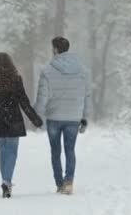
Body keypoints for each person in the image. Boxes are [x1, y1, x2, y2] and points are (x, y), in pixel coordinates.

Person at [35, 37, 92, 195]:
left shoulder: (47, 71)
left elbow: (42, 97)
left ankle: (59, 183)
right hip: (73, 117)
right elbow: (87, 96)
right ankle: (69, 182)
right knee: (70, 150)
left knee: (55, 151)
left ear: (55, 49)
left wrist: (37, 115)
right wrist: (85, 117)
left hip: (54, 117)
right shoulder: (83, 71)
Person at [0, 52, 43, 198]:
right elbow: (24, 102)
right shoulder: (16, 79)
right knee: (11, 153)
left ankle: (5, 181)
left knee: (3, 153)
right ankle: (7, 181)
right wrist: (35, 119)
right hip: (13, 121)